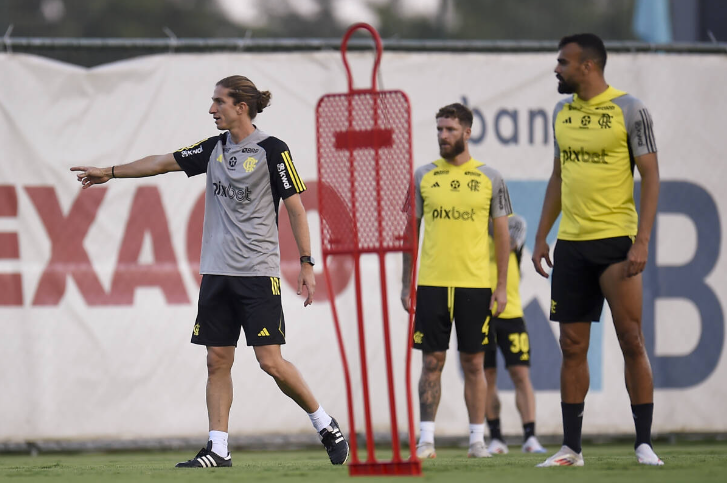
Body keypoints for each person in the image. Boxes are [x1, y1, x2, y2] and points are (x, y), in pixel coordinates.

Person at [71, 75, 349, 468]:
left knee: (270, 362)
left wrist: (307, 262)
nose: (211, 109)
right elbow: (162, 162)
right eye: (212, 101)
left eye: (219, 101)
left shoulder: (273, 150)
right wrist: (110, 172)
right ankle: (218, 447)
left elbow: (297, 209)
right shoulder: (213, 149)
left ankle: (325, 424)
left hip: (257, 274)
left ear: (241, 107)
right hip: (216, 274)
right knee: (217, 360)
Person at [531, 34, 662, 467]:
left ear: (588, 66)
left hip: (616, 243)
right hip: (572, 244)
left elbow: (651, 176)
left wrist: (642, 240)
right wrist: (541, 235)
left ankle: (643, 443)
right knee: (571, 345)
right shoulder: (561, 113)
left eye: (563, 62)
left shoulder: (630, 109)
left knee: (631, 339)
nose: (557, 69)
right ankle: (572, 448)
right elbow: (557, 178)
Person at [400, 102, 512, 459]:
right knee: (431, 362)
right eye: (438, 129)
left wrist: (502, 285)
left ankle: (477, 440)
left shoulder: (491, 178)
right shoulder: (422, 175)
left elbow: (502, 237)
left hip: (475, 286)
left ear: (467, 131)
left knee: (474, 364)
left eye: (449, 129)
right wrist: (406, 284)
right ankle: (426, 441)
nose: (442, 136)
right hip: (432, 284)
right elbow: (409, 234)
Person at [483, 214, 547, 455]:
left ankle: (530, 436)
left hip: (511, 311)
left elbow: (509, 240)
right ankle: (496, 438)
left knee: (521, 374)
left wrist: (487, 221)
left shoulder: (513, 221)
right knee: (487, 377)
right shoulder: (474, 223)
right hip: (482, 313)